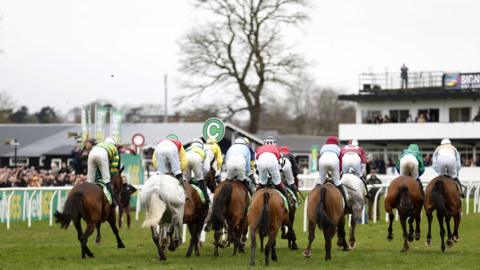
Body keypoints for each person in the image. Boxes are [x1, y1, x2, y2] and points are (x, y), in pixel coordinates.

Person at [256, 136, 292, 207]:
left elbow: (256, 164)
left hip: (261, 163)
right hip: (272, 163)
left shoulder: (259, 148)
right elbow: (281, 164)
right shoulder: (277, 148)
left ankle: (253, 199)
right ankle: (289, 201)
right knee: (278, 183)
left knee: (261, 183)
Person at [317, 135, 351, 212]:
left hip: (322, 161)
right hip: (334, 161)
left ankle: (311, 198)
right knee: (338, 182)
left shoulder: (323, 147)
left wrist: (321, 171)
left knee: (320, 181)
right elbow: (341, 161)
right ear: (336, 142)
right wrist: (339, 172)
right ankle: (347, 204)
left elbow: (319, 158)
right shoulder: (338, 148)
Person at [86, 136, 120, 204]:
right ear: (114, 144)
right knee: (107, 180)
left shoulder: (100, 144)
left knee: (90, 181)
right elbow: (114, 167)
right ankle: (113, 201)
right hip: (102, 154)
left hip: (91, 153)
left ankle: (87, 197)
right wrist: (111, 174)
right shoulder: (114, 149)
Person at [184, 138, 211, 204]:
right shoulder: (203, 151)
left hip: (185, 157)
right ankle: (206, 199)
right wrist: (199, 177)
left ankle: (183, 195)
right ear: (201, 145)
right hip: (197, 159)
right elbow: (206, 169)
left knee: (185, 180)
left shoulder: (187, 149)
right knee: (200, 179)